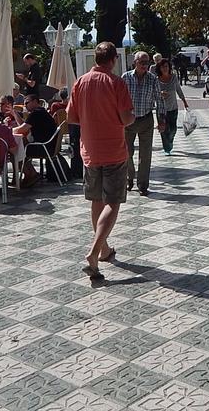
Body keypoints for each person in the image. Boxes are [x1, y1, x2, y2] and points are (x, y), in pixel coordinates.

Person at [67, 41, 135, 281]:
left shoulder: (80, 82)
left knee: (96, 200)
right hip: (113, 150)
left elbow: (71, 117)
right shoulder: (116, 83)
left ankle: (104, 249)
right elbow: (127, 119)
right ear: (114, 59)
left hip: (90, 151)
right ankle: (95, 251)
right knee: (112, 202)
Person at [121, 51, 166, 196]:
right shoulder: (125, 77)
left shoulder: (152, 79)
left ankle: (143, 184)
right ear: (135, 62)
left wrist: (161, 121)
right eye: (141, 63)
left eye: (147, 63)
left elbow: (159, 100)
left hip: (146, 119)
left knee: (145, 155)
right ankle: (129, 177)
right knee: (127, 152)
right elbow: (118, 100)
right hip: (128, 120)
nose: (144, 66)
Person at [13, 93, 57, 182]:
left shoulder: (36, 113)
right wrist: (14, 114)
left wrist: (8, 131)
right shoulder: (41, 112)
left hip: (43, 147)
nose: (25, 106)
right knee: (21, 144)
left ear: (35, 101)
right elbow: (24, 127)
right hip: (49, 146)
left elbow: (22, 129)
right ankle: (30, 174)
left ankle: (30, 174)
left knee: (15, 150)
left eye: (27, 103)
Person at [154, 58, 188, 154]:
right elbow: (153, 93)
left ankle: (170, 142)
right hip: (161, 109)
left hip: (173, 108)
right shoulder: (156, 80)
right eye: (162, 67)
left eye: (166, 66)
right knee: (163, 130)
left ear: (169, 67)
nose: (164, 68)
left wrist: (184, 101)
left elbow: (178, 89)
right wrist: (160, 94)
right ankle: (167, 148)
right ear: (159, 68)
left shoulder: (173, 77)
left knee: (173, 129)